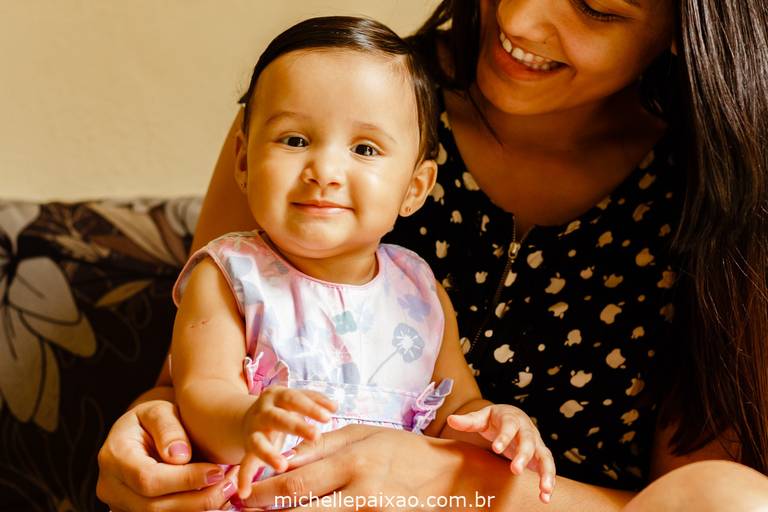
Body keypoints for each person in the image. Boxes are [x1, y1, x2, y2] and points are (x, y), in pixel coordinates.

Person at [97, 0, 768, 510]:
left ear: (687, 24)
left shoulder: (719, 182)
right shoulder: (319, 97)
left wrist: (453, 476)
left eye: (594, 8)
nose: (519, 19)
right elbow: (194, 381)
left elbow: (696, 494)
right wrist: (156, 440)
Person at [168, 16, 555, 507]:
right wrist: (246, 422)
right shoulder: (227, 275)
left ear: (414, 188)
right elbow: (200, 393)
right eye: (295, 140)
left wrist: (497, 423)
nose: (325, 171)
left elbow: (454, 412)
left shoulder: (418, 288)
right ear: (243, 161)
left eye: (364, 148)